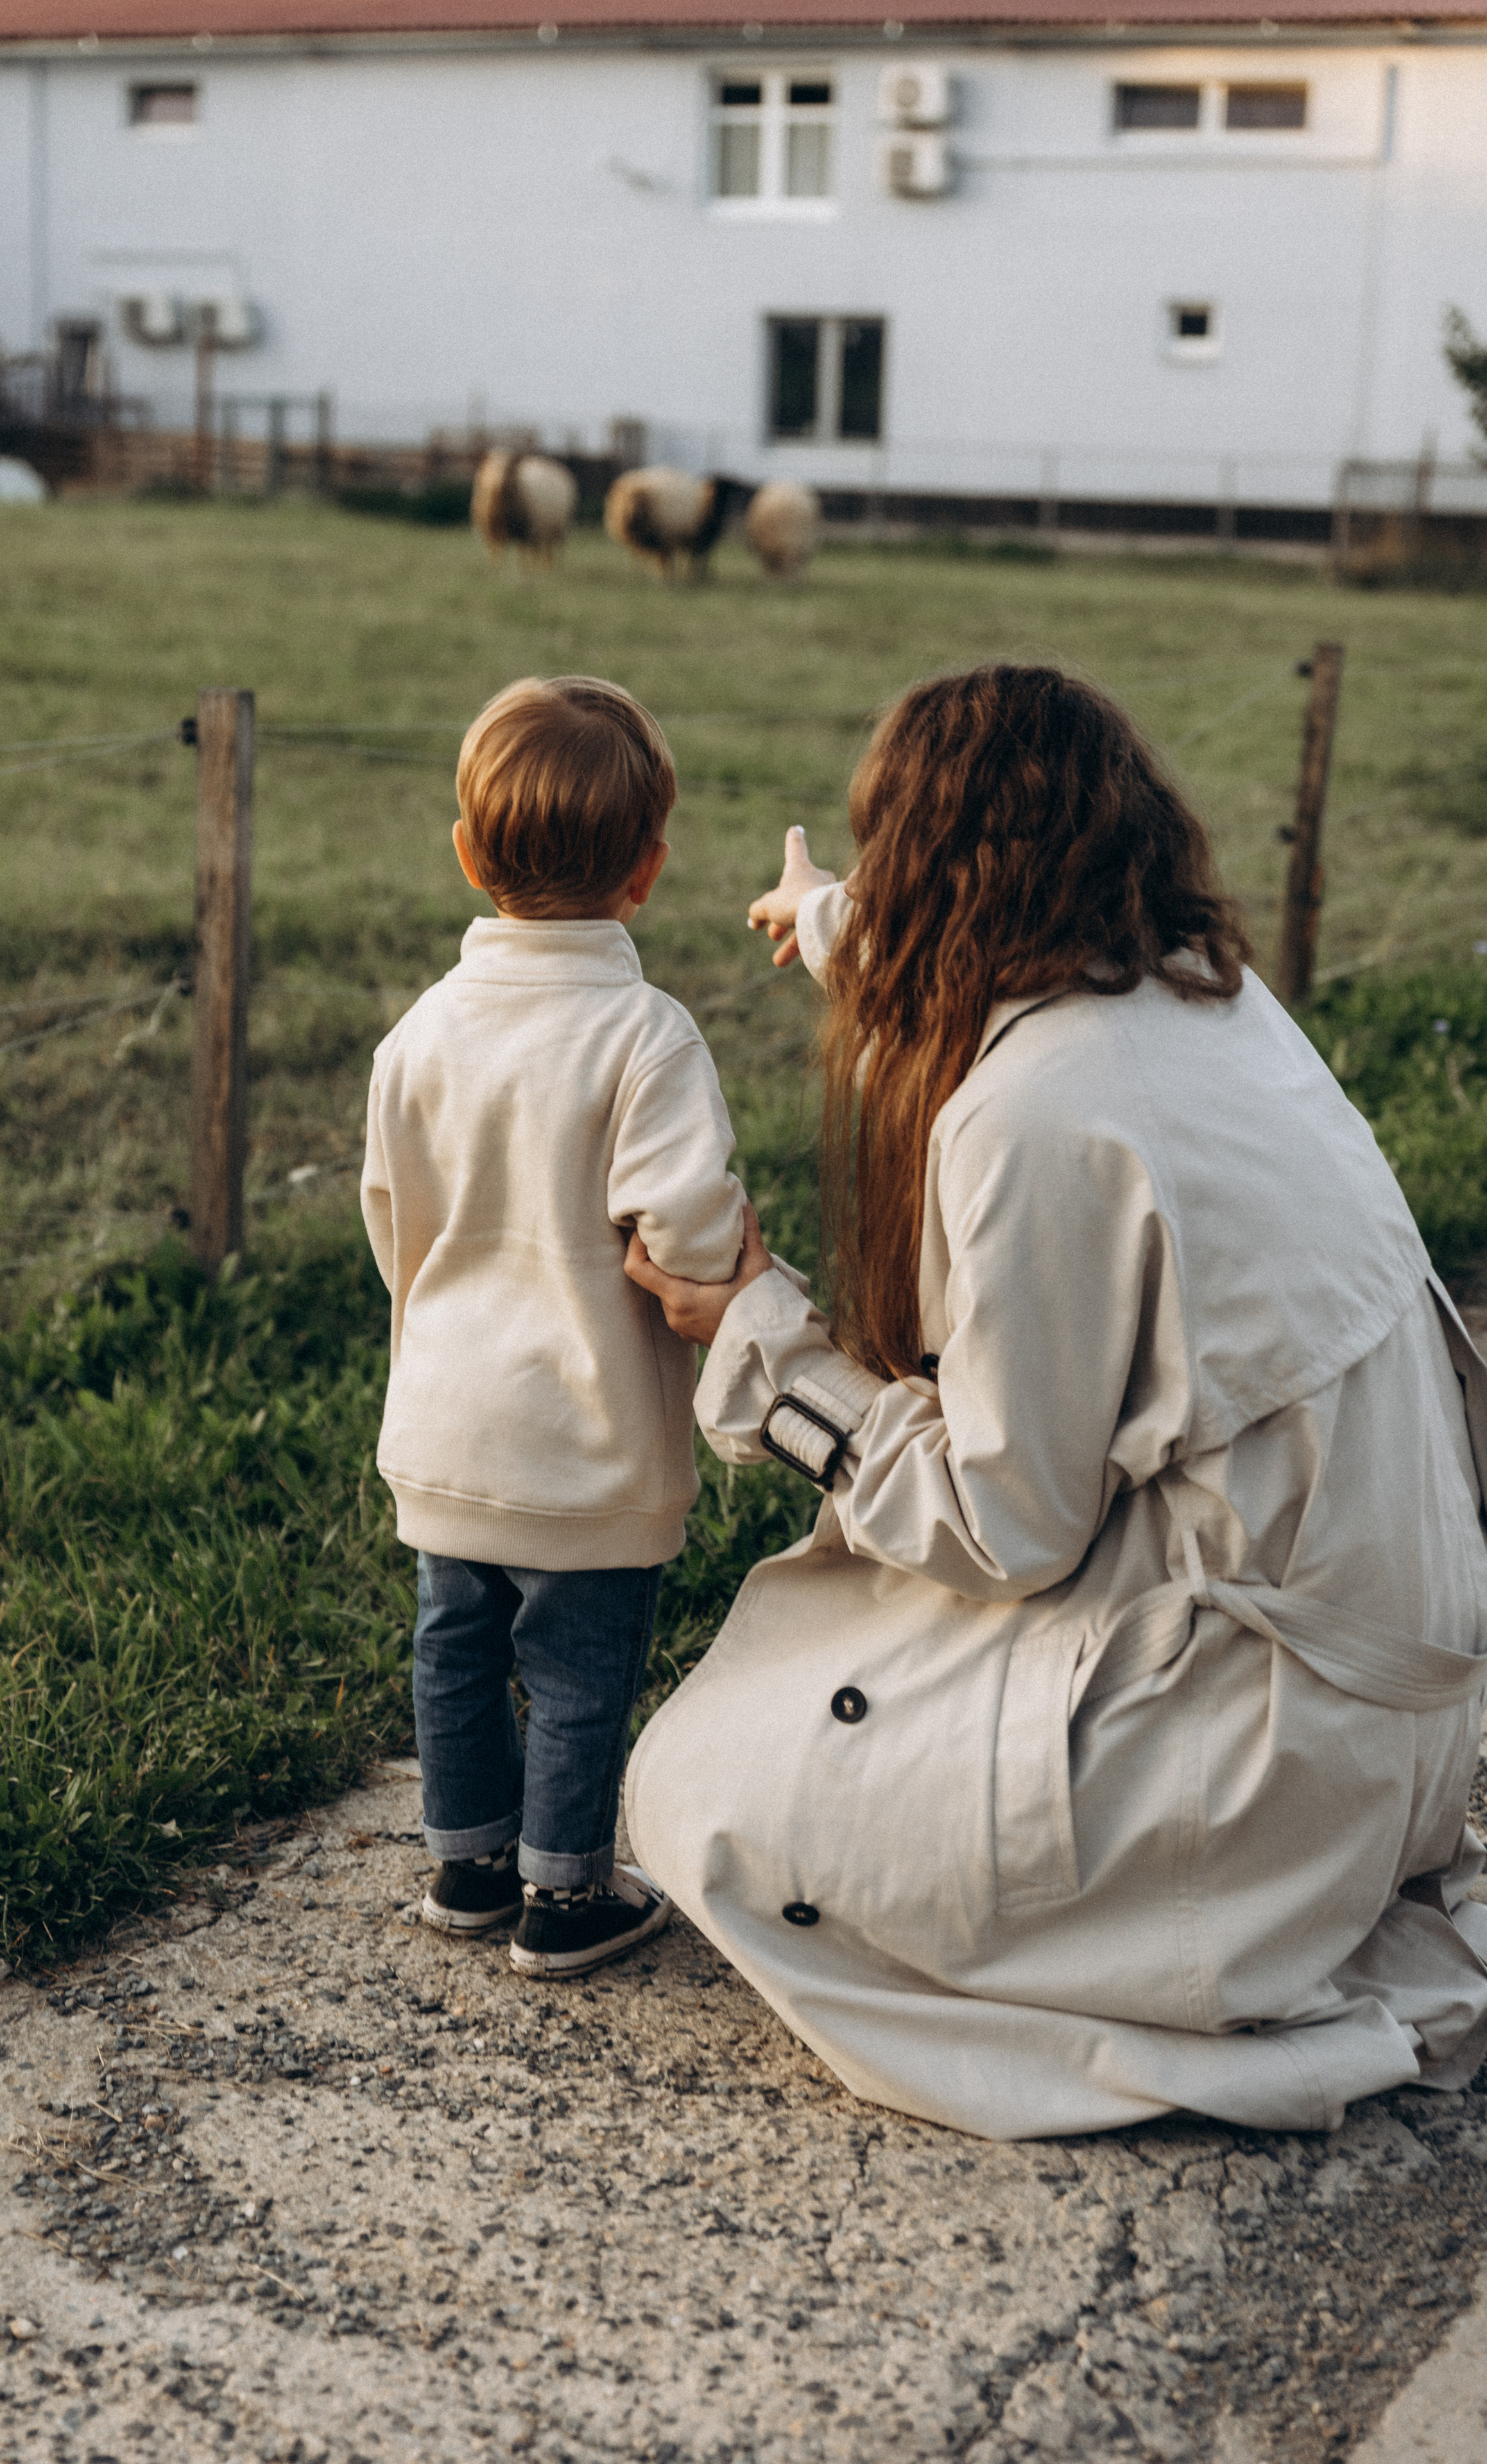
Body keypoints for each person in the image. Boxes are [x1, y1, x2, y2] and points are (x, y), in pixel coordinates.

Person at [622, 663, 1487, 2141]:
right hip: (1396, 1716)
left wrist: (763, 1349)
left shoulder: (1033, 1113)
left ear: (937, 867)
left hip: (1262, 1758)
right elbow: (978, 1007)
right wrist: (830, 921)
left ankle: (1177, 1949)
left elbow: (1006, 1526)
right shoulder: (1208, 1004)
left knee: (697, 1799)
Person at [360, 675, 746, 1978]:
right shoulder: (642, 1038)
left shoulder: (418, 1035)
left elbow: (387, 1217)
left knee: (453, 1647)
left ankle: (465, 1864)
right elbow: (684, 1224)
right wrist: (711, 1272)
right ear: (645, 873)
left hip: (445, 1418)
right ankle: (565, 1896)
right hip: (582, 1432)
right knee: (578, 1669)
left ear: (468, 857)